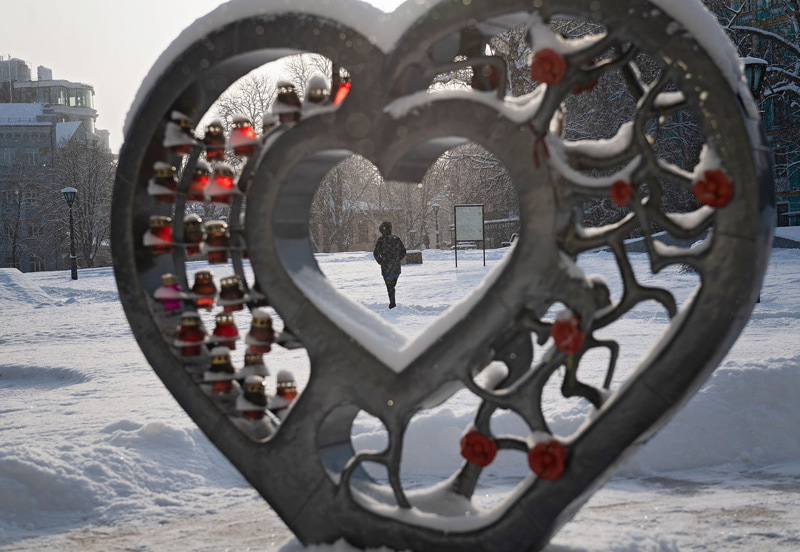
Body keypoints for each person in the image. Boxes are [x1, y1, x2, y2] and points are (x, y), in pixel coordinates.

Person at [373, 221, 407, 309]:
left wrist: (381, 261)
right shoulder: (396, 239)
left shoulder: (381, 240)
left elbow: (376, 253)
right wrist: (397, 259)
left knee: (389, 286)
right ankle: (392, 303)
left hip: (386, 267)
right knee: (392, 285)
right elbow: (403, 251)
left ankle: (392, 303)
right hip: (395, 266)